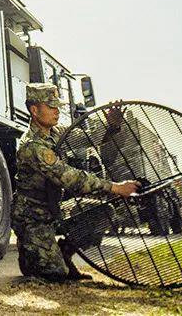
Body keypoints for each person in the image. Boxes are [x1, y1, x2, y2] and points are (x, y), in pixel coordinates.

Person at [12, 83, 141, 281]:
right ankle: (32, 256)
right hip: (33, 217)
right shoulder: (32, 146)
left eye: (57, 106)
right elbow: (69, 177)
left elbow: (89, 137)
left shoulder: (56, 133)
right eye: (51, 106)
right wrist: (115, 187)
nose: (57, 111)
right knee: (55, 274)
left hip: (53, 209)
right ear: (34, 110)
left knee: (103, 212)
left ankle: (64, 254)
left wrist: (111, 126)